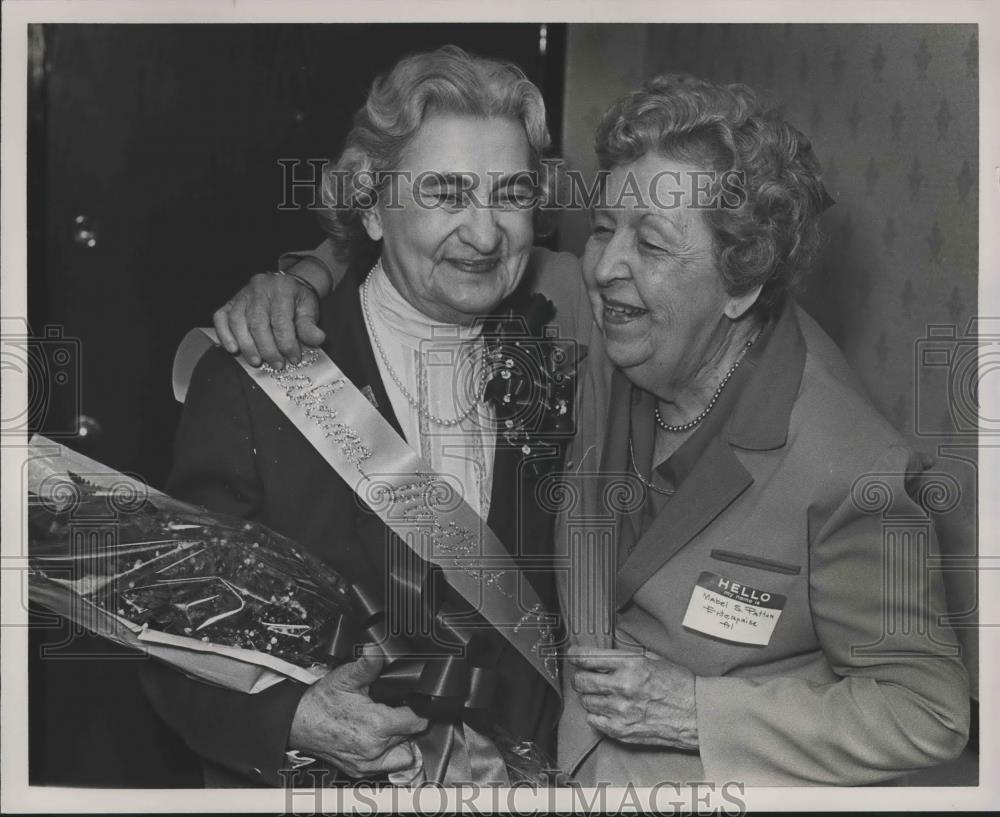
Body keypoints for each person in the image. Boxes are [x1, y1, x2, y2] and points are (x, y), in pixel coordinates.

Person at [214, 73, 970, 785]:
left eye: (650, 242)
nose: (606, 265)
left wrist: (698, 712)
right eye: (604, 225)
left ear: (741, 281)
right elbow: (426, 238)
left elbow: (928, 711)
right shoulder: (599, 314)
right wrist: (294, 280)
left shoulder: (849, 464)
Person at [141, 45, 572, 787]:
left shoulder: (557, 362)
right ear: (370, 205)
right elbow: (170, 636)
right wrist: (292, 717)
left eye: (510, 193)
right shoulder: (253, 382)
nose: (485, 232)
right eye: (445, 192)